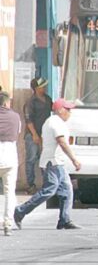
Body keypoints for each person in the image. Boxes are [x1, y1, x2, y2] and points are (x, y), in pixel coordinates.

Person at [14, 98, 82, 230]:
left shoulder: (54, 122)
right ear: (60, 110)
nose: (69, 112)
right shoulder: (55, 122)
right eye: (67, 109)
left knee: (66, 191)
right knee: (49, 190)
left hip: (57, 162)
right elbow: (62, 142)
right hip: (53, 162)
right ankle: (21, 210)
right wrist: (74, 159)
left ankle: (65, 219)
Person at [23, 77, 52, 194]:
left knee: (45, 159)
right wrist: (35, 135)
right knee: (31, 159)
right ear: (36, 88)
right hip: (32, 135)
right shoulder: (30, 102)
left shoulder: (48, 99)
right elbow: (28, 120)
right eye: (42, 86)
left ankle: (47, 183)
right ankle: (31, 185)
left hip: (46, 135)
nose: (44, 88)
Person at [0, 91, 20, 236]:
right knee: (9, 192)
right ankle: (8, 224)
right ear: (7, 103)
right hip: (10, 155)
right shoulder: (15, 117)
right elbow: (17, 133)